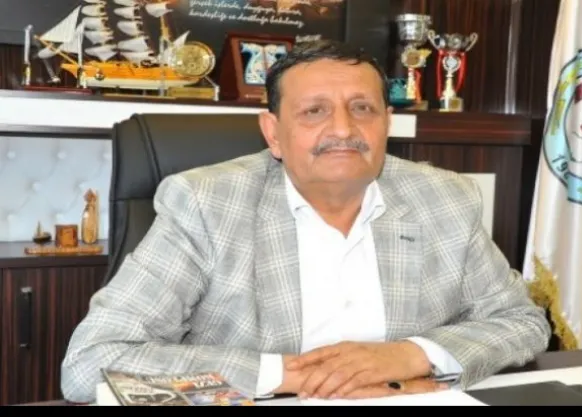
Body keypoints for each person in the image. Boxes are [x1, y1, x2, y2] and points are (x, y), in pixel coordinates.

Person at [60, 40, 551, 403]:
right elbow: (92, 361)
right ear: (273, 133)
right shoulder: (206, 204)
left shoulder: (444, 198)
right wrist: (296, 375)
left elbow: (522, 322)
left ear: (387, 123)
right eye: (314, 111)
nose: (343, 129)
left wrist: (410, 356)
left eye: (362, 109)